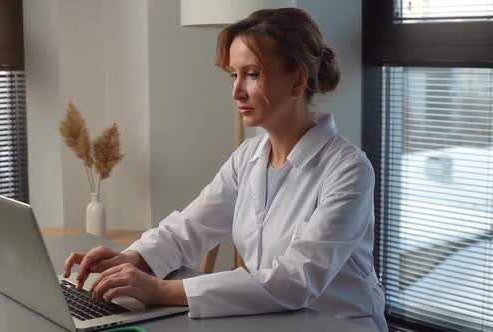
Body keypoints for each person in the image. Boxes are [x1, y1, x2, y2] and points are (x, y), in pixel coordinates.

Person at [64, 7, 387, 331]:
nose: (236, 92)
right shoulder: (247, 157)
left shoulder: (349, 171)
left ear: (297, 80)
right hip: (271, 321)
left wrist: (159, 290)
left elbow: (296, 280)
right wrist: (133, 260)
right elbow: (187, 230)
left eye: (253, 74)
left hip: (338, 325)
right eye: (234, 75)